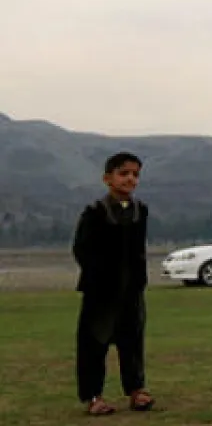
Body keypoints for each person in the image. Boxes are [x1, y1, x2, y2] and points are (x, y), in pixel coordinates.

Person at [73, 151, 155, 416]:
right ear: (108, 178)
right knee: (93, 344)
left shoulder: (140, 211)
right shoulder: (95, 212)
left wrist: (139, 279)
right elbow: (81, 249)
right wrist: (98, 276)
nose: (130, 179)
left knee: (132, 341)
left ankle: (136, 391)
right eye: (124, 173)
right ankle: (94, 396)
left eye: (135, 175)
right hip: (101, 291)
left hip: (131, 289)